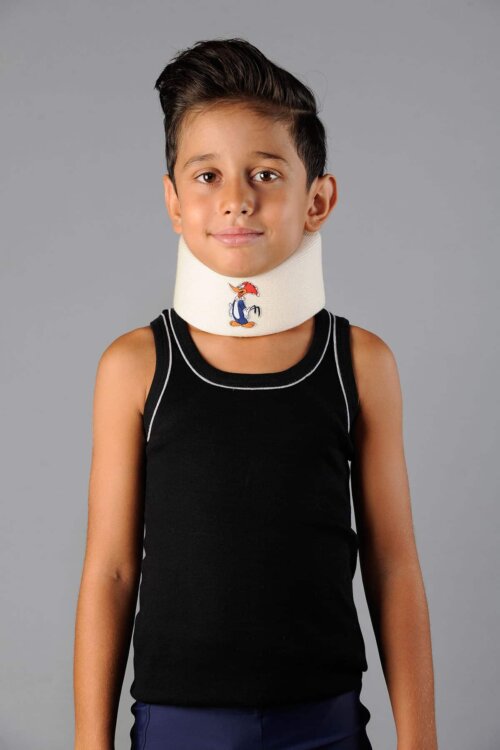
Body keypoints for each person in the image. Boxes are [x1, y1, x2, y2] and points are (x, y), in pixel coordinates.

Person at [73, 37, 438, 750]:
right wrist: (91, 744)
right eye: (207, 175)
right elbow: (111, 571)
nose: (236, 199)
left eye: (266, 173)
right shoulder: (134, 366)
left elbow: (394, 565)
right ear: (173, 202)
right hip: (178, 726)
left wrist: (420, 740)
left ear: (318, 199)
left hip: (325, 723)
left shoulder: (360, 363)